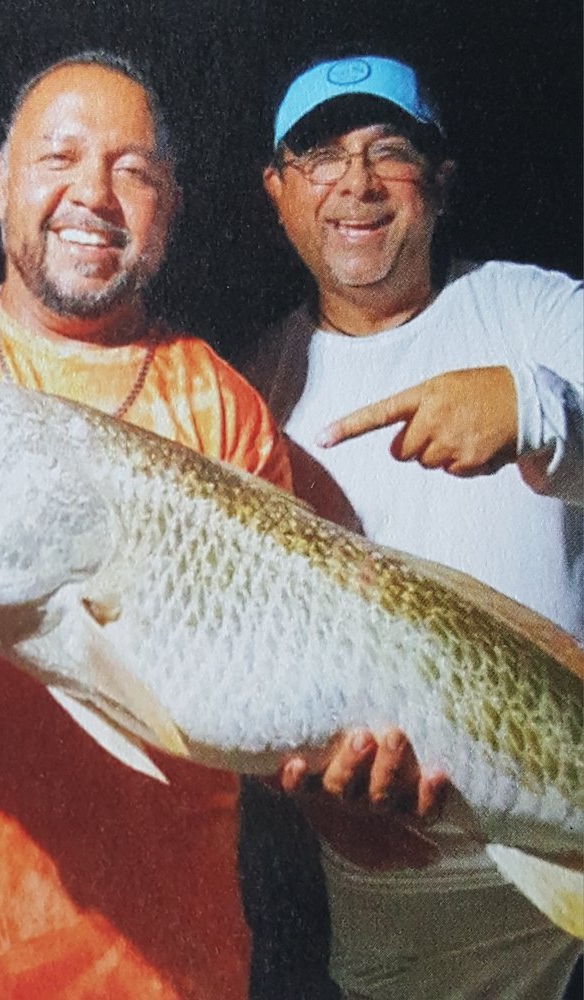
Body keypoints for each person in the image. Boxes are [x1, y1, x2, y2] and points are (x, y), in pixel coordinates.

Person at [0, 50, 438, 1000]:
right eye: (56, 158)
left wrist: (348, 784)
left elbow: (283, 712)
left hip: (156, 971)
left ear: (170, 204)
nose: (92, 195)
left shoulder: (219, 408)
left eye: (133, 171)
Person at [254, 53, 583, 999]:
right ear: (277, 192)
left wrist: (535, 409)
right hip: (398, 901)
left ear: (440, 183)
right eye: (319, 155)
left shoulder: (534, 311)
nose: (355, 183)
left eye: (388, 150)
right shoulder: (251, 388)